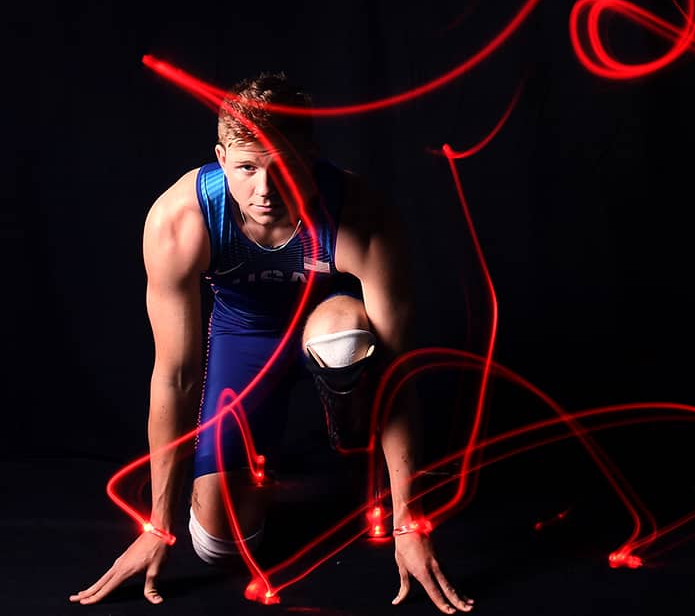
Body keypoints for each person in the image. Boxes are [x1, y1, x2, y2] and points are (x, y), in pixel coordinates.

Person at [70, 72, 473, 613]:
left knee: (346, 340)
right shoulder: (180, 221)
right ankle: (262, 472)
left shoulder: (360, 216)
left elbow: (400, 373)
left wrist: (408, 522)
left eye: (282, 167)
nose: (265, 190)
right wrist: (158, 527)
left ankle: (347, 423)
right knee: (217, 543)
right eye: (245, 168)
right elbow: (176, 376)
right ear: (220, 158)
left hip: (327, 324)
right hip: (245, 336)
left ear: (310, 157)